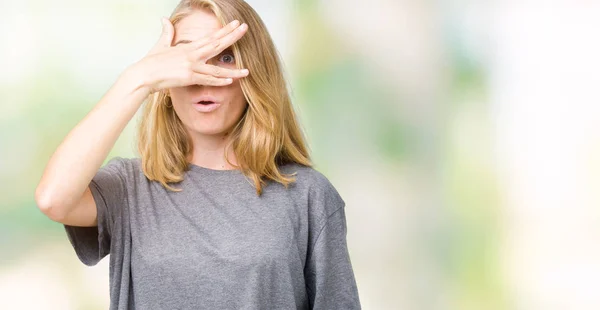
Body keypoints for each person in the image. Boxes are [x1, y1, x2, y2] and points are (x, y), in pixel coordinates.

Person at [34, 0, 361, 309]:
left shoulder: (308, 196)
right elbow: (53, 198)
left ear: (256, 73)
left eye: (226, 57)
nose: (203, 76)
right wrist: (138, 78)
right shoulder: (129, 189)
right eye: (187, 58)